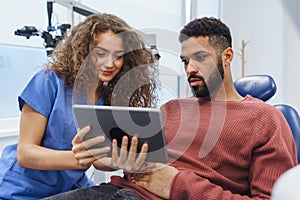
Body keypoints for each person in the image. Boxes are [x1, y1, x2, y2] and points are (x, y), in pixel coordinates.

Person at [42, 17, 297, 200]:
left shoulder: (266, 119)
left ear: (227, 56)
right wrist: (104, 155)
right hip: (115, 190)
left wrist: (177, 184)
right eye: (185, 61)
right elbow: (135, 163)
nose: (189, 69)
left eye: (200, 58)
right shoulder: (171, 109)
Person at [0, 13, 158, 200]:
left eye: (118, 56)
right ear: (83, 51)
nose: (109, 64)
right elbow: (25, 154)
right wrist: (78, 158)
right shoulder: (49, 82)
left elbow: (100, 163)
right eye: (100, 54)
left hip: (68, 188)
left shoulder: (110, 98)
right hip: (21, 189)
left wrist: (123, 160)